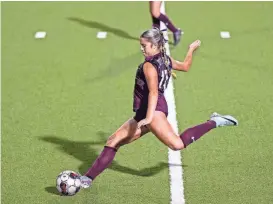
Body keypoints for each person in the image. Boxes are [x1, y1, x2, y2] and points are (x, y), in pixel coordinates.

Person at [79, 28, 238, 188]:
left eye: (144, 45)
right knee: (113, 141)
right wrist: (191, 49)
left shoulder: (149, 66)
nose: (141, 49)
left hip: (153, 110)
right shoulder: (165, 58)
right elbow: (185, 66)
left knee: (177, 144)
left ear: (155, 45)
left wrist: (148, 118)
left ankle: (214, 121)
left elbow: (154, 92)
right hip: (146, 110)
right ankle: (87, 179)